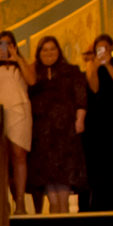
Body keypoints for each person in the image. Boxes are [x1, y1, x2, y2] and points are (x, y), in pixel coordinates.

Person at [25, 35, 88, 213]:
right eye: (44, 49)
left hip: (65, 131)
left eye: (52, 48)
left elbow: (81, 97)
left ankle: (64, 217)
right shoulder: (34, 74)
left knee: (63, 180)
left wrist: (80, 119)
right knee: (49, 183)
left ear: (59, 51)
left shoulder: (71, 71)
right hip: (42, 133)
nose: (49, 53)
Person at [81, 33, 113, 212]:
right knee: (103, 158)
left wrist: (108, 64)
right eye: (98, 49)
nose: (102, 51)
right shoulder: (92, 64)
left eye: (105, 48)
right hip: (101, 115)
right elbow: (94, 88)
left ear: (111, 47)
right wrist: (95, 66)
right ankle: (104, 201)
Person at [0, 31, 31, 210]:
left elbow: (31, 80)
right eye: (1, 44)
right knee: (0, 157)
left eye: (8, 44)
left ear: (14, 45)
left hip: (20, 110)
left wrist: (17, 58)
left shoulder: (22, 64)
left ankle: (20, 201)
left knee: (19, 154)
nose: (5, 47)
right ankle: (3, 200)